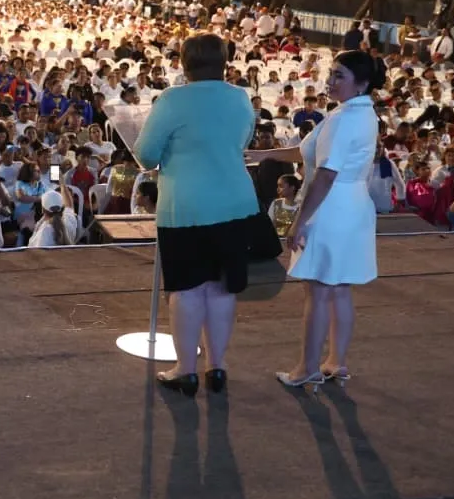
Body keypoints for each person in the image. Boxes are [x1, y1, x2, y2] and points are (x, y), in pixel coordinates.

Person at [134, 34, 260, 397]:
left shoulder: (173, 99)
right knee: (222, 288)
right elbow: (244, 140)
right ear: (224, 62)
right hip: (235, 205)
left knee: (187, 290)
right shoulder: (240, 97)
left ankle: (185, 370)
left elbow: (145, 155)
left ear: (184, 62)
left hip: (186, 207)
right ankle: (216, 367)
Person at [248, 50, 383, 388]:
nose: (331, 80)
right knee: (338, 288)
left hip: (331, 206)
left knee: (319, 290)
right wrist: (261, 154)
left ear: (362, 83)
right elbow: (307, 151)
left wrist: (299, 222)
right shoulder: (357, 113)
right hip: (350, 205)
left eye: (340, 76)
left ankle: (307, 367)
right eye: (332, 73)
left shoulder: (345, 118)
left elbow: (324, 174)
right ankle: (335, 362)